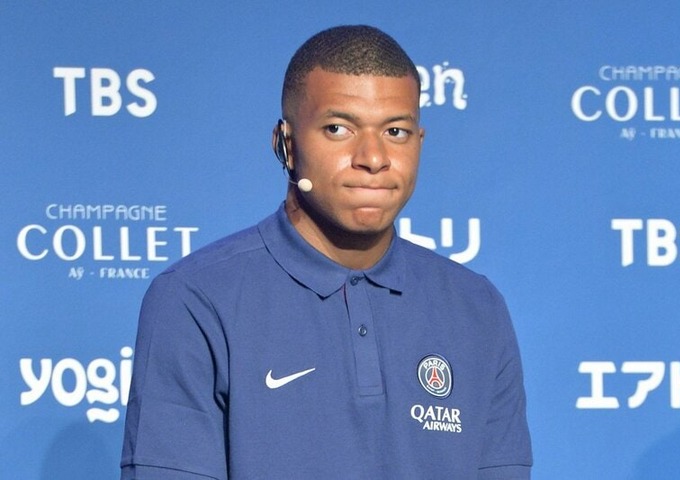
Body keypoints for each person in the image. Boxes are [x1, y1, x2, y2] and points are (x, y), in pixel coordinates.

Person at [121, 25, 532, 479]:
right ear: (286, 144)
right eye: (338, 129)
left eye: (395, 131)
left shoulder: (477, 307)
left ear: (419, 142)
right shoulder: (195, 299)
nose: (373, 157)